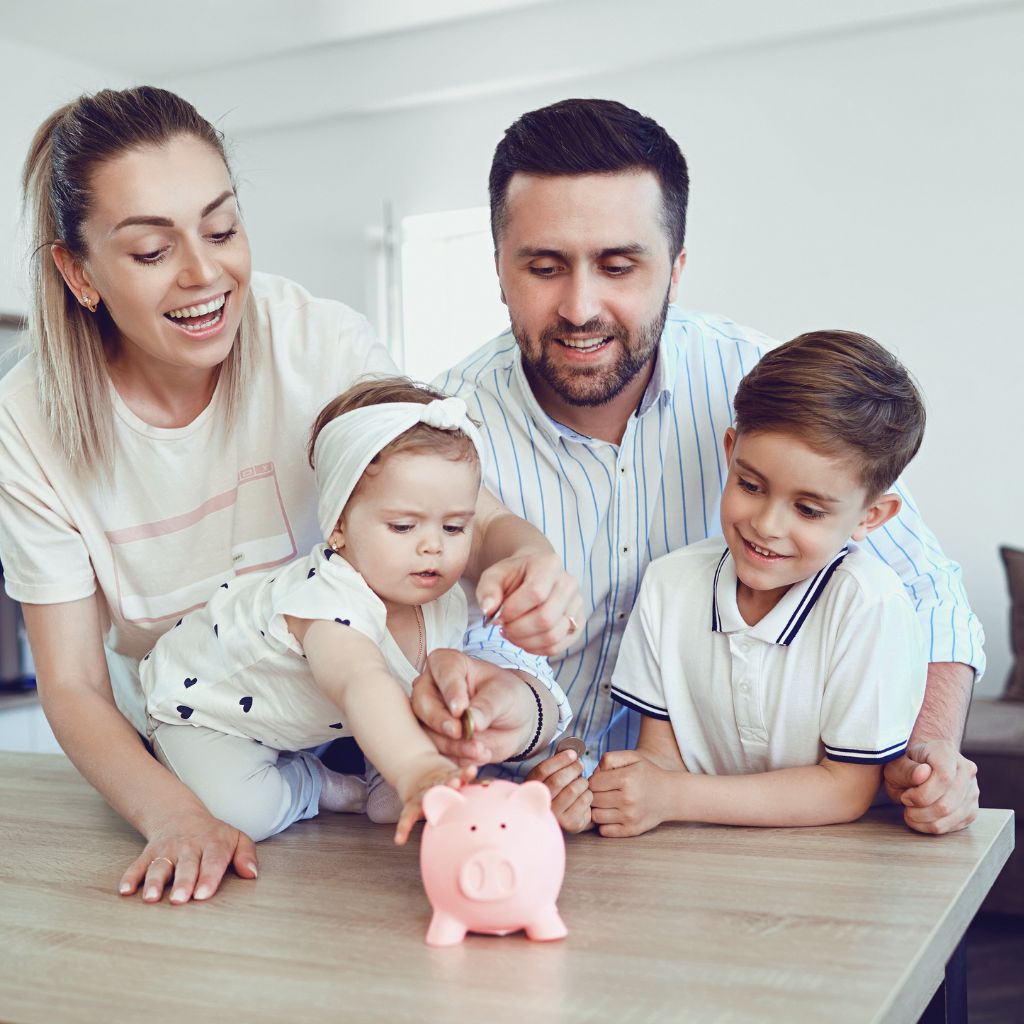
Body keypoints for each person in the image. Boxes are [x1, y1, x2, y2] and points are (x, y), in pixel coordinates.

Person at [0, 86, 580, 905]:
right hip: (208, 735)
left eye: (222, 228)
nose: (206, 274)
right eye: (150, 251)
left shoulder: (317, 341)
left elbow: (455, 509)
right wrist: (177, 816)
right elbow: (72, 682)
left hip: (359, 714)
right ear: (77, 270)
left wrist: (525, 556)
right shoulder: (28, 424)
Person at [416, 97, 982, 836]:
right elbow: (429, 639)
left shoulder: (757, 385)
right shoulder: (441, 428)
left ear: (676, 269)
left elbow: (927, 588)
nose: (581, 307)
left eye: (619, 265)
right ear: (498, 268)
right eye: (546, 266)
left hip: (728, 825)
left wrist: (933, 747)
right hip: (517, 822)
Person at [142, 378, 530, 843]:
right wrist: (417, 767)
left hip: (307, 720)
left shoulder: (444, 600)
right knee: (244, 814)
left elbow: (404, 694)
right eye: (404, 526)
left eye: (454, 526)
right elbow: (359, 681)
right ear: (339, 524)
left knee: (392, 803)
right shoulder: (327, 599)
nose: (433, 547)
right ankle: (311, 783)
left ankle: (376, 776)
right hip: (203, 712)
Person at [589, 331, 928, 834]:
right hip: (695, 864)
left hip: (831, 872)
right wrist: (620, 791)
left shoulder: (869, 605)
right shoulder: (669, 585)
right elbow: (659, 758)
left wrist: (673, 796)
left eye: (808, 509)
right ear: (731, 451)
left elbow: (846, 788)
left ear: (871, 516)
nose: (767, 525)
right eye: (750, 485)